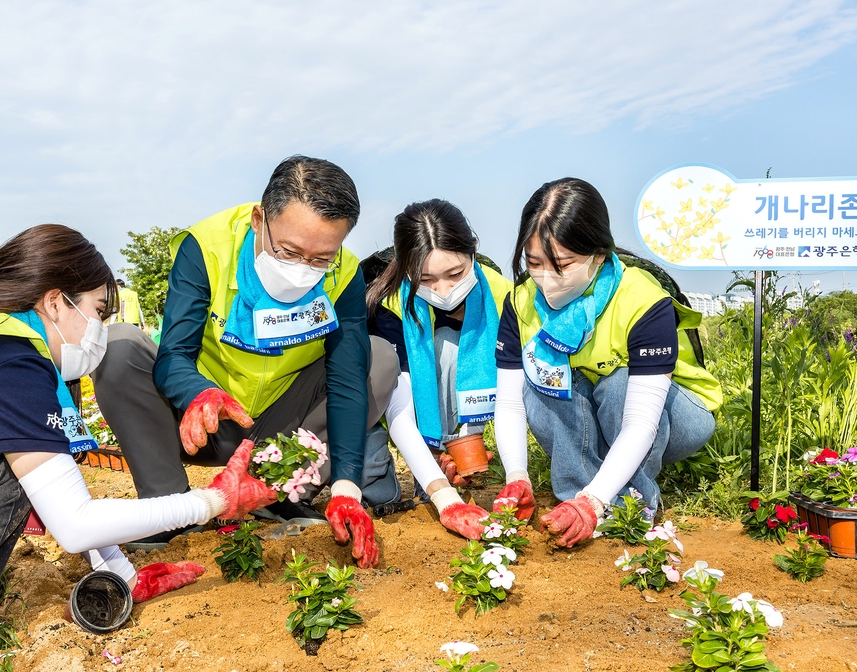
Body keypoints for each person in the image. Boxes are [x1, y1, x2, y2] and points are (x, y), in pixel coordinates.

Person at [0, 224, 275, 672]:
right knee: (9, 476)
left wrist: (122, 573)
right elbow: (74, 523)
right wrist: (215, 501)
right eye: (98, 311)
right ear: (54, 302)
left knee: (18, 467)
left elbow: (57, 487)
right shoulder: (4, 357)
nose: (101, 330)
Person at [92, 155, 399, 567]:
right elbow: (174, 356)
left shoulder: (343, 275)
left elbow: (346, 380)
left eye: (320, 258)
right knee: (119, 344)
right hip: (202, 423)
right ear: (259, 220)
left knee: (377, 359)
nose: (303, 270)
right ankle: (166, 509)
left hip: (279, 426)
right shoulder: (205, 248)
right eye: (288, 251)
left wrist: (345, 487)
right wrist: (198, 392)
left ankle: (279, 495)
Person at [493, 178, 722, 547]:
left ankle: (627, 506)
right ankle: (577, 498)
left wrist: (593, 501)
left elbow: (640, 422)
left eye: (564, 264)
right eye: (534, 262)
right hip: (589, 416)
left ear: (598, 254)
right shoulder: (520, 302)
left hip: (672, 419)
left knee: (619, 381)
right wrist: (516, 474)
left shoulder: (642, 299)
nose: (547, 277)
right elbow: (508, 401)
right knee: (542, 380)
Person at [366, 199, 527, 539]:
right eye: (426, 279)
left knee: (454, 347)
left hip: (494, 400)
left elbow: (515, 382)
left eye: (455, 274)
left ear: (473, 252)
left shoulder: (505, 296)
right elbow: (401, 407)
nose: (444, 290)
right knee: (443, 346)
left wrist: (517, 474)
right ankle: (435, 458)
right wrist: (444, 498)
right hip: (401, 411)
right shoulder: (390, 306)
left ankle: (465, 454)